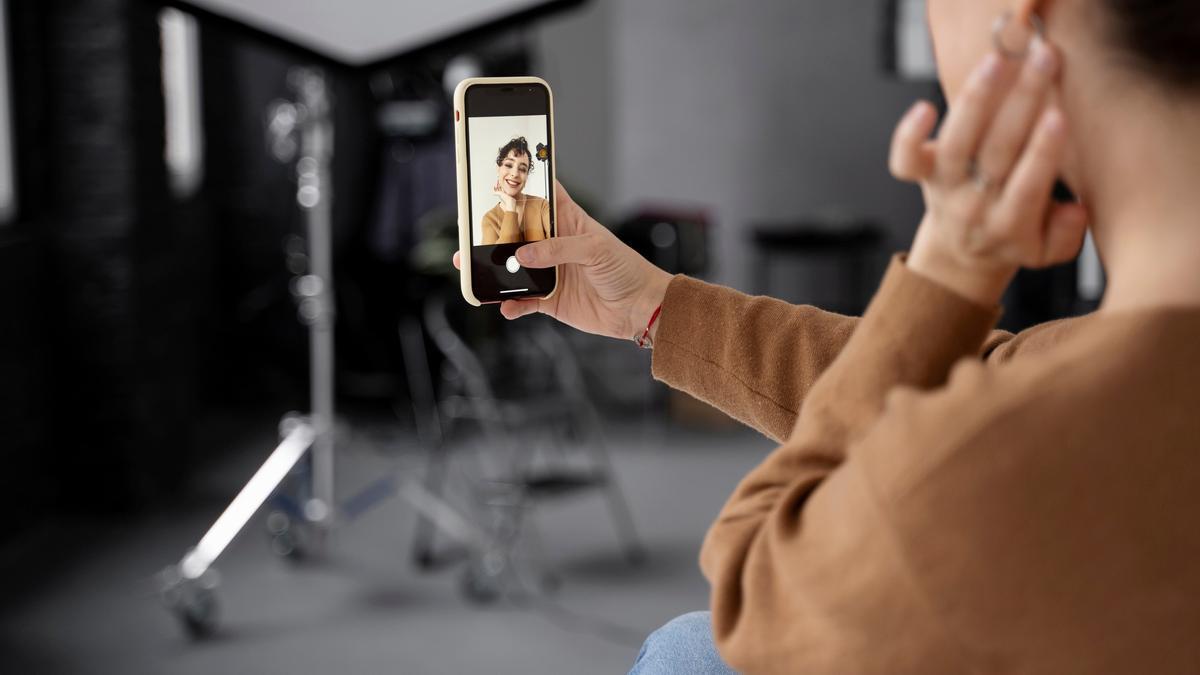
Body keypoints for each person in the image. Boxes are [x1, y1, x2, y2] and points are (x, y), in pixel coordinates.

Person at [452, 0, 1200, 671]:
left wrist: (946, 269)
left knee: (692, 656)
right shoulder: (1127, 367)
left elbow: (759, 596)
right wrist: (655, 306)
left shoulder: (1008, 461)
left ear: (1023, 22)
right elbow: (989, 373)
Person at [480, 136, 551, 245]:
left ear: (527, 176)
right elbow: (498, 258)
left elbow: (557, 246)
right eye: (509, 165)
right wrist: (510, 207)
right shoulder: (489, 219)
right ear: (498, 169)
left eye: (522, 169)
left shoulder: (542, 206)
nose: (515, 174)